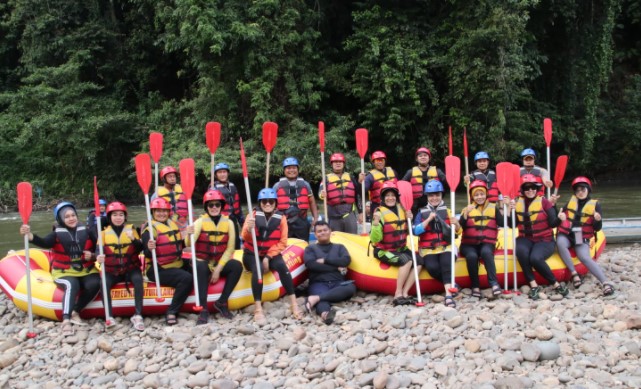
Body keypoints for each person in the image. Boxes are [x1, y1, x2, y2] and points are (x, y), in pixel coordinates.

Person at [19, 202, 100, 336]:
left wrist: (92, 256)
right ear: (60, 219)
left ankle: (75, 311)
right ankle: (66, 319)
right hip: (63, 271)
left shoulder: (87, 231)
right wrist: (30, 235)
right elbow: (44, 243)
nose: (71, 218)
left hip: (86, 269)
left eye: (73, 215)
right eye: (67, 216)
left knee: (96, 283)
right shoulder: (56, 234)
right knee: (71, 284)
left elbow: (99, 248)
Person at [241, 188, 303, 324]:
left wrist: (268, 257)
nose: (267, 204)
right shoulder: (252, 216)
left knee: (282, 267)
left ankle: (294, 303)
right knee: (257, 272)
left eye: (270, 201)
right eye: (264, 201)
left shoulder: (281, 218)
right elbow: (244, 237)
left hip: (271, 253)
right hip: (252, 254)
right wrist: (248, 229)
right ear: (260, 203)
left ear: (275, 203)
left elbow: (283, 242)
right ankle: (258, 308)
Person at [185, 190, 243, 324]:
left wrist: (218, 269)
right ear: (206, 207)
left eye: (217, 205)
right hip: (203, 261)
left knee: (236, 266)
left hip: (218, 262)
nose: (214, 208)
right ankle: (203, 309)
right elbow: (189, 244)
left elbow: (230, 248)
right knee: (201, 267)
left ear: (222, 206)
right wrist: (188, 234)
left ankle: (222, 302)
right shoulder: (200, 222)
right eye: (211, 205)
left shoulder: (229, 223)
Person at [508, 174, 568, 300]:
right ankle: (534, 285)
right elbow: (510, 224)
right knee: (521, 252)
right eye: (527, 188)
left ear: (537, 188)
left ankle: (555, 284)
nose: (530, 190)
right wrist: (509, 210)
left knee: (535, 258)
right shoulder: (517, 202)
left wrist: (559, 219)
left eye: (533, 187)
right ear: (523, 190)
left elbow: (552, 223)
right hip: (525, 238)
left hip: (544, 239)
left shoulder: (545, 202)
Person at [557, 177, 613, 295]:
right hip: (567, 234)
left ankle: (605, 283)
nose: (580, 192)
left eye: (583, 189)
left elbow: (597, 228)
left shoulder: (595, 205)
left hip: (580, 235)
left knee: (584, 257)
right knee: (560, 242)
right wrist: (561, 216)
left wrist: (598, 220)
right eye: (577, 190)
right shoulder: (570, 202)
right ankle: (574, 274)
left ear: (588, 190)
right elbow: (562, 216)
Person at [142, 197, 193, 325]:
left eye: (164, 211)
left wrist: (188, 235)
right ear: (153, 212)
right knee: (186, 278)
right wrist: (149, 248)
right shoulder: (149, 229)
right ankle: (171, 311)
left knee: (198, 266)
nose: (161, 213)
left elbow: (179, 245)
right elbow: (147, 253)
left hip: (176, 262)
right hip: (158, 268)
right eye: (158, 211)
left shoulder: (172, 224)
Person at [95, 201, 145, 330]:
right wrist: (98, 257)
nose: (118, 218)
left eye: (121, 215)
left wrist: (134, 239)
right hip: (112, 271)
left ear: (125, 217)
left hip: (130, 268)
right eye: (115, 215)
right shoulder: (103, 233)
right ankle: (109, 316)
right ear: (109, 217)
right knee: (104, 283)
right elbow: (97, 251)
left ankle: (138, 315)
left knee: (138, 280)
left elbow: (140, 249)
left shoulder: (132, 230)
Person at [412, 180, 461, 308]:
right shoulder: (421, 212)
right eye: (431, 195)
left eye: (437, 195)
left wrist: (456, 223)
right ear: (427, 197)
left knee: (446, 263)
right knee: (432, 268)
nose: (434, 198)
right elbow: (415, 231)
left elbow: (458, 231)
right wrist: (428, 220)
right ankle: (452, 284)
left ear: (441, 195)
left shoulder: (449, 211)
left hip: (446, 246)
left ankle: (448, 296)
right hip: (429, 249)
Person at [369, 181, 419, 305]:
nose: (390, 198)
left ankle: (406, 292)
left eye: (393, 195)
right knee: (406, 261)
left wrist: (410, 219)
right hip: (384, 250)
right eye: (387, 195)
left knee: (420, 261)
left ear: (396, 197)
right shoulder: (379, 213)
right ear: (383, 197)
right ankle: (398, 294)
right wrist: (375, 224)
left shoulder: (402, 209)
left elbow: (409, 230)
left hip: (400, 248)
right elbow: (375, 239)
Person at [303, 221, 356, 324]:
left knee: (351, 287)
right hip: (318, 282)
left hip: (338, 282)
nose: (322, 233)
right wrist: (337, 268)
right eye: (319, 231)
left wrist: (326, 261)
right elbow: (311, 265)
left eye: (325, 230)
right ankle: (325, 314)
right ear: (315, 234)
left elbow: (346, 261)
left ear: (330, 231)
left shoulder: (340, 247)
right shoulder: (310, 248)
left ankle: (315, 298)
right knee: (322, 298)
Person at [458, 180, 504, 298]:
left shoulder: (494, 208)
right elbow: (459, 226)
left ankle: (494, 283)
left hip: (486, 242)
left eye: (482, 194)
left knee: (486, 252)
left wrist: (506, 208)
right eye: (476, 195)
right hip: (468, 244)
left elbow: (503, 223)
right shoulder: (466, 209)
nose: (479, 197)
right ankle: (475, 286)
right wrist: (465, 214)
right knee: (472, 256)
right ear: (472, 196)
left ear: (486, 194)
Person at [273, 157, 319, 241]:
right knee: (284, 247)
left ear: (298, 169)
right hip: (283, 222)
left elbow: (312, 202)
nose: (291, 170)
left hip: (302, 221)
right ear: (284, 170)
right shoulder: (277, 186)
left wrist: (315, 218)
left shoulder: (305, 185)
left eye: (294, 168)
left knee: (303, 245)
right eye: (288, 168)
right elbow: (271, 204)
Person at [318, 153, 360, 233]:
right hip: (333, 216)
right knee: (335, 241)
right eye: (335, 162)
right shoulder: (326, 179)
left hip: (349, 214)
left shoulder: (350, 177)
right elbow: (320, 193)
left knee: (351, 239)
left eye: (340, 161)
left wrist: (360, 212)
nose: (338, 163)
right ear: (332, 164)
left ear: (343, 164)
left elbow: (357, 195)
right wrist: (322, 194)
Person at [402, 147, 446, 214]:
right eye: (420, 156)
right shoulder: (410, 172)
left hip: (434, 205)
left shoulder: (437, 171)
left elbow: (447, 181)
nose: (423, 157)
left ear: (429, 158)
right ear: (417, 159)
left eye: (425, 155)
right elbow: (402, 188)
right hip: (415, 207)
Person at [211, 162, 244, 249]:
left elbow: (238, 206)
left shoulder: (232, 186)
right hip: (220, 220)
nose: (222, 174)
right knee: (223, 243)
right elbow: (210, 207)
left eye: (224, 172)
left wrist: (242, 223)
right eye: (220, 172)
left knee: (236, 241)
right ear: (216, 175)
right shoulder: (213, 188)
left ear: (228, 173)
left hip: (233, 219)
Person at [362, 151, 398, 219]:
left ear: (385, 161)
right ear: (373, 162)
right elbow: (362, 191)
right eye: (377, 160)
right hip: (377, 206)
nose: (380, 162)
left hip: (393, 204)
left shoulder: (393, 172)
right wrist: (360, 182)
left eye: (382, 160)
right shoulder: (369, 177)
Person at [156, 165, 189, 232]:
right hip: (166, 227)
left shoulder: (183, 192)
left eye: (174, 176)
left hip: (183, 227)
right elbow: (153, 214)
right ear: (164, 179)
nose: (172, 178)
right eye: (170, 177)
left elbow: (190, 210)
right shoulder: (157, 195)